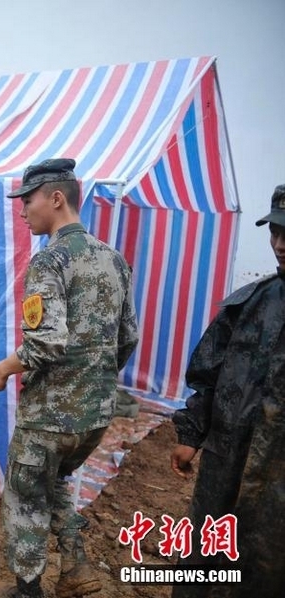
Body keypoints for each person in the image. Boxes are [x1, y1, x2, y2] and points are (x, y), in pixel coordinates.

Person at [0, 158, 138, 598]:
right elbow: (128, 336)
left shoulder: (49, 260)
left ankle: (28, 590)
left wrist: (0, 370)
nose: (22, 210)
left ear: (55, 199)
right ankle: (76, 564)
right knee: (57, 482)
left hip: (48, 418)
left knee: (25, 496)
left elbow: (45, 344)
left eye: (27, 200)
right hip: (94, 417)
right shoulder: (113, 259)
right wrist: (95, 382)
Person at [169, 184, 285, 598]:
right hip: (226, 459)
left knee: (265, 564)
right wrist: (191, 435)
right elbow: (209, 374)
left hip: (277, 477)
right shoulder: (249, 303)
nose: (279, 244)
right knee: (205, 551)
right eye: (274, 232)